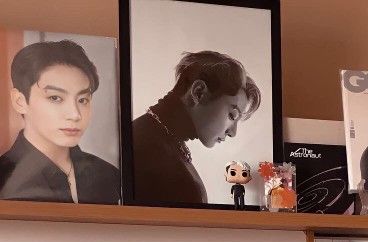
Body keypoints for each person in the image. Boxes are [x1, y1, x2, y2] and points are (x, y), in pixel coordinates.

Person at [132, 51, 260, 205]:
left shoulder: (162, 139)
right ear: (199, 92)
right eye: (232, 115)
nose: (233, 132)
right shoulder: (146, 147)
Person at [0, 40, 119, 203]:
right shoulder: (4, 177)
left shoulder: (108, 175)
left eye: (83, 100)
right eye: (55, 98)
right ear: (20, 101)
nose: (75, 114)